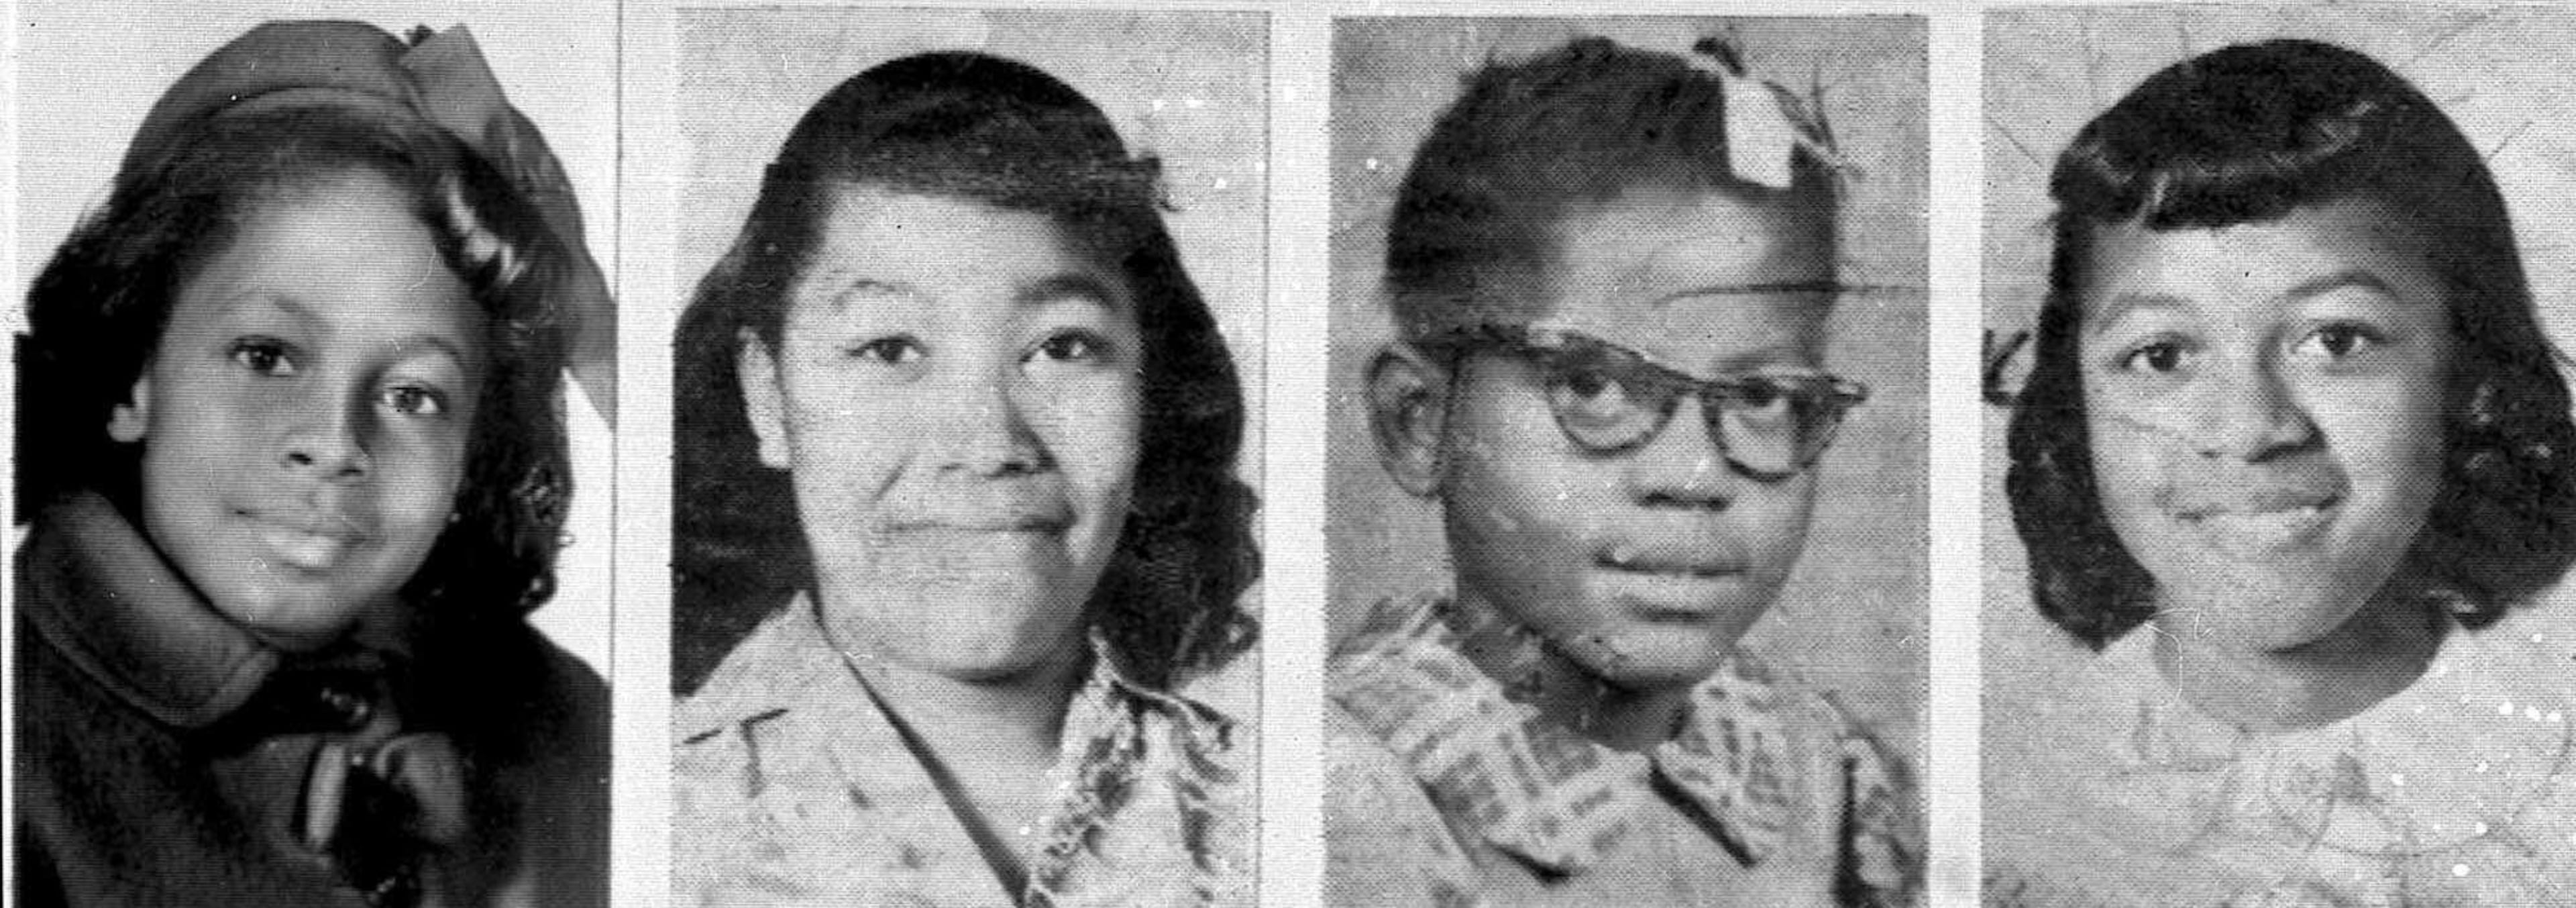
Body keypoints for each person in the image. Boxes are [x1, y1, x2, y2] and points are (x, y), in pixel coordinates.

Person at [12, 21, 611, 908]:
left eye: (415, 395)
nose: (334, 443)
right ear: (134, 368)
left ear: (476, 447)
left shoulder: (569, 726)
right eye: (266, 355)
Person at [1328, 36, 1921, 907]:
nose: (1692, 474)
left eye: (1761, 394)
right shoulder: (1337, 798)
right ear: (1421, 421)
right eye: (1593, 384)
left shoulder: (1826, 770)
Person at [1992, 38, 2576, 906]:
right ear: (2075, 402)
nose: (2251, 428)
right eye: (2161, 354)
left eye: (2336, 341)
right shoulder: (2020, 812)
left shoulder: (2552, 791)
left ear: (2468, 373)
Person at [669, 51, 1260, 907]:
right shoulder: (639, 809)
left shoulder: (1300, 800)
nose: (989, 442)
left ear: (1147, 383)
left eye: (1063, 347)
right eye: (890, 349)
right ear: (769, 396)